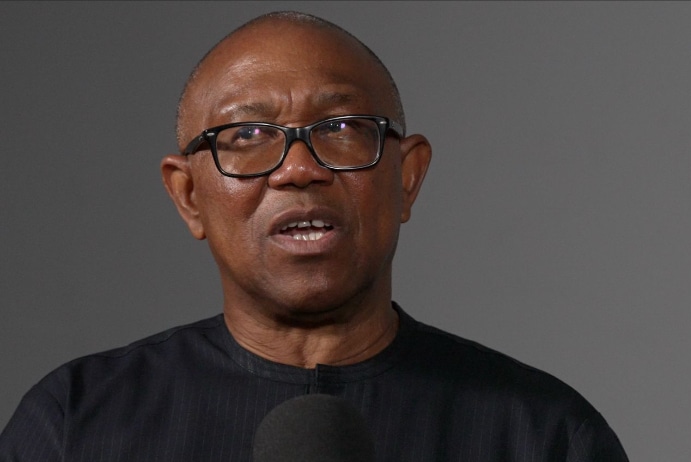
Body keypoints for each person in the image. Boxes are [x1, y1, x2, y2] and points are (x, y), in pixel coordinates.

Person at [0, 11, 628, 461]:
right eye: (247, 136)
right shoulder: (75, 423)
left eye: (341, 128)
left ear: (407, 178)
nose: (299, 169)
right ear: (188, 195)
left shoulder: (542, 434)